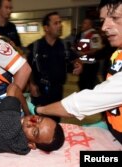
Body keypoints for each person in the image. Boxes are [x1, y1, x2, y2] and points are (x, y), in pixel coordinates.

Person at [34, 0, 122, 145]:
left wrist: (38, 110)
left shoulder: (69, 42)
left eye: (115, 18)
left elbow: (82, 103)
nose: (105, 26)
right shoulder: (118, 52)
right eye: (103, 20)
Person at [26, 12, 82, 122]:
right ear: (46, 28)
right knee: (39, 121)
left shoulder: (64, 46)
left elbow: (76, 59)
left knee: (55, 121)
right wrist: (31, 84)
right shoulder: (35, 47)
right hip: (40, 92)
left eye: (60, 22)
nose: (60, 25)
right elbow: (27, 67)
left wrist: (79, 64)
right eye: (56, 23)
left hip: (57, 91)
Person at [76, 18, 103, 90]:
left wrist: (83, 53)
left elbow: (95, 49)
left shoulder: (94, 35)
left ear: (90, 25)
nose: (82, 25)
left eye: (85, 23)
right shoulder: (84, 34)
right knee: (82, 84)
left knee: (89, 85)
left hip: (91, 65)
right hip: (84, 64)